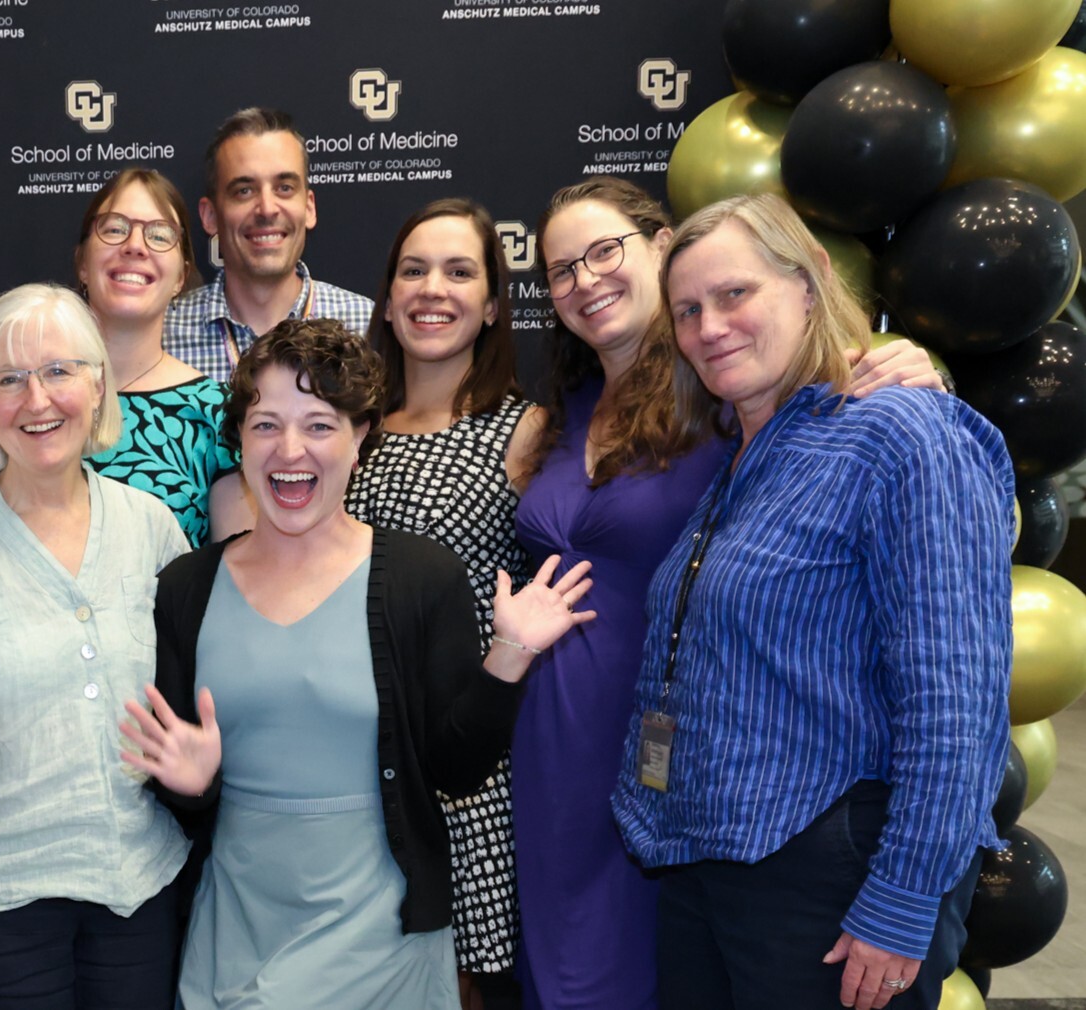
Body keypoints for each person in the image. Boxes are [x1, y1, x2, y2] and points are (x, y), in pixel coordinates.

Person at [510, 178, 942, 1010]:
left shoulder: (740, 388)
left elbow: (942, 673)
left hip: (709, 765)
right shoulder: (559, 412)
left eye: (606, 251)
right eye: (561, 269)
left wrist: (908, 366)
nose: (585, 279)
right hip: (557, 750)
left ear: (661, 247)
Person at [613, 194, 1012, 1010]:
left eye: (734, 294)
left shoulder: (899, 431)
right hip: (709, 865)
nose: (708, 327)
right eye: (687, 310)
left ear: (810, 282)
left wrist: (903, 901)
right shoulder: (748, 456)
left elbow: (956, 696)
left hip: (832, 879)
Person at [124, 318, 595, 1009]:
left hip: (379, 941)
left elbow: (455, 769)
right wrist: (191, 784)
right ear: (241, 442)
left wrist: (509, 654)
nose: (291, 450)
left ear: (360, 436)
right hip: (233, 934)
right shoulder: (186, 587)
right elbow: (178, 792)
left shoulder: (418, 577)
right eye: (266, 426)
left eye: (319, 424)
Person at [0, 284, 189, 1009]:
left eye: (58, 372)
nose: (36, 399)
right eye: (8, 379)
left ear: (97, 384)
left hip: (139, 887)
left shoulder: (151, 529)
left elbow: (191, 693)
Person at [343, 197, 540, 1007]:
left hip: (466, 772)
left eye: (461, 272)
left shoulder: (526, 430)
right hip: (352, 763)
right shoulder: (350, 428)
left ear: (493, 304)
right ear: (386, 299)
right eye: (414, 270)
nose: (434, 289)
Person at [75, 166, 245, 547]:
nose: (135, 246)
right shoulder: (35, 395)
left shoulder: (218, 413)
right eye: (115, 228)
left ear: (181, 277)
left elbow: (235, 577)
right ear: (83, 263)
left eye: (159, 235)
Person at [165, 108, 375, 381]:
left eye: (284, 188)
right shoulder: (164, 334)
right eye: (244, 191)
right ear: (210, 216)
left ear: (309, 207)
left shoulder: (367, 327)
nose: (266, 209)